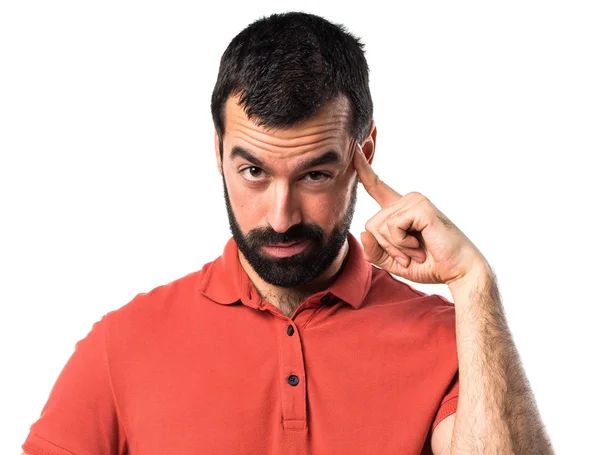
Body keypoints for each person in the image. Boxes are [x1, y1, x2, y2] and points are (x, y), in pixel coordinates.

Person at [21, 11, 554, 455]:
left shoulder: (451, 340)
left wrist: (472, 281)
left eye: (314, 175)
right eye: (254, 171)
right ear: (219, 154)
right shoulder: (122, 344)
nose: (280, 217)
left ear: (362, 155)